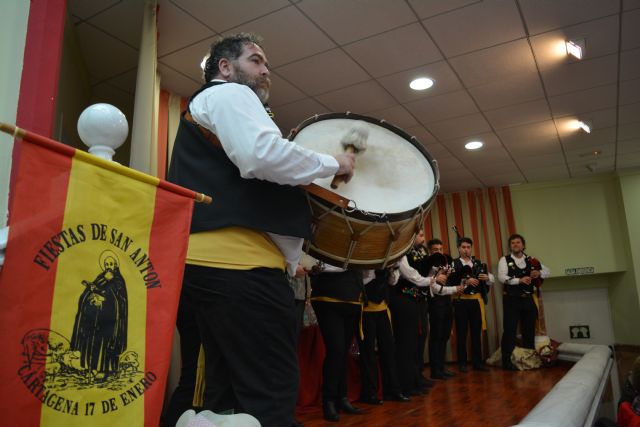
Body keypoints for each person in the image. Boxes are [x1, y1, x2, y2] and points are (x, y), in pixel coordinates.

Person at [166, 33, 355, 427]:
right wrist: (333, 163)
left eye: (266, 64)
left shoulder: (211, 104)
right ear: (225, 67)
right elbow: (260, 155)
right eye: (256, 60)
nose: (266, 70)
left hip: (210, 268)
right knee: (267, 397)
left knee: (219, 402)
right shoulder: (230, 94)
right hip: (239, 269)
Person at [309, 263, 364, 422]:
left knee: (342, 352)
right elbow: (316, 266)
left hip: (352, 299)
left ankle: (342, 398)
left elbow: (367, 274)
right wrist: (350, 264)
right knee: (336, 351)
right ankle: (329, 400)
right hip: (328, 298)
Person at [71, 252, 127, 381]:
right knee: (93, 342)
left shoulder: (118, 280)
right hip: (97, 318)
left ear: (116, 265)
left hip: (111, 321)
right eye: (106, 264)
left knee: (106, 344)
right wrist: (92, 296)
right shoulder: (101, 276)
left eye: (111, 264)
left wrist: (104, 299)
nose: (108, 266)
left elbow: (119, 300)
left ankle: (106, 370)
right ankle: (92, 368)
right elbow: (93, 289)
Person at [498, 234, 550, 371]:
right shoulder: (504, 260)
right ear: (510, 246)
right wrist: (519, 280)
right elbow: (502, 277)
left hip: (528, 299)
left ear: (523, 245)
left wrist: (538, 273)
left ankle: (529, 359)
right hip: (511, 300)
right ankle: (506, 361)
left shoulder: (531, 260)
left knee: (528, 330)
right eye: (513, 243)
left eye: (518, 242)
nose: (515, 245)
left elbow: (547, 271)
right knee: (509, 330)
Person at [358, 268, 409, 405]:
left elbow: (393, 282)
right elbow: (361, 280)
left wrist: (390, 271)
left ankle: (393, 390)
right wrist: (376, 272)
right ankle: (370, 393)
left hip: (383, 309)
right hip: (366, 309)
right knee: (368, 353)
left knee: (389, 352)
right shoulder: (364, 256)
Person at [449, 237, 493, 372]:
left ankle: (477, 362)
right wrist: (465, 282)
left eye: (468, 247)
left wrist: (487, 278)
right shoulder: (453, 263)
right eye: (463, 247)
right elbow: (449, 282)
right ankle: (462, 363)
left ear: (471, 248)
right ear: (458, 248)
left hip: (476, 301)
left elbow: (490, 279)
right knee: (462, 333)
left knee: (476, 333)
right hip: (460, 301)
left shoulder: (478, 262)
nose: (466, 250)